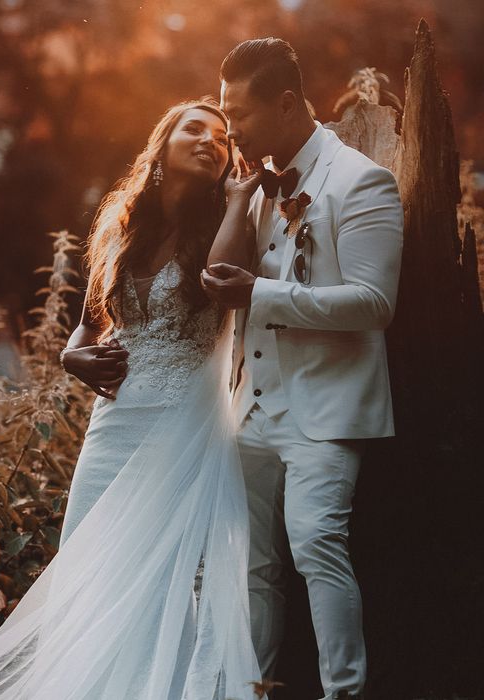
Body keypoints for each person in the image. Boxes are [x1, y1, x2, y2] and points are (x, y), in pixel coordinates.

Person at [0, 98, 264, 700]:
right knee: (87, 566)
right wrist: (71, 356)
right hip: (114, 422)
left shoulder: (229, 223)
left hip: (181, 423)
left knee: (157, 575)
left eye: (224, 137)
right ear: (163, 143)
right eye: (195, 128)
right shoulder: (124, 227)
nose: (212, 140)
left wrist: (235, 200)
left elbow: (227, 286)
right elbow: (90, 323)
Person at [199, 38, 404, 700]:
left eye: (240, 113)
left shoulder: (360, 180)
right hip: (251, 406)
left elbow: (375, 304)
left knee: (317, 544)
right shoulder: (254, 184)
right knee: (253, 565)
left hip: (325, 410)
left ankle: (344, 693)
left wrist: (259, 295)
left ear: (287, 103)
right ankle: (252, 691)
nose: (231, 129)